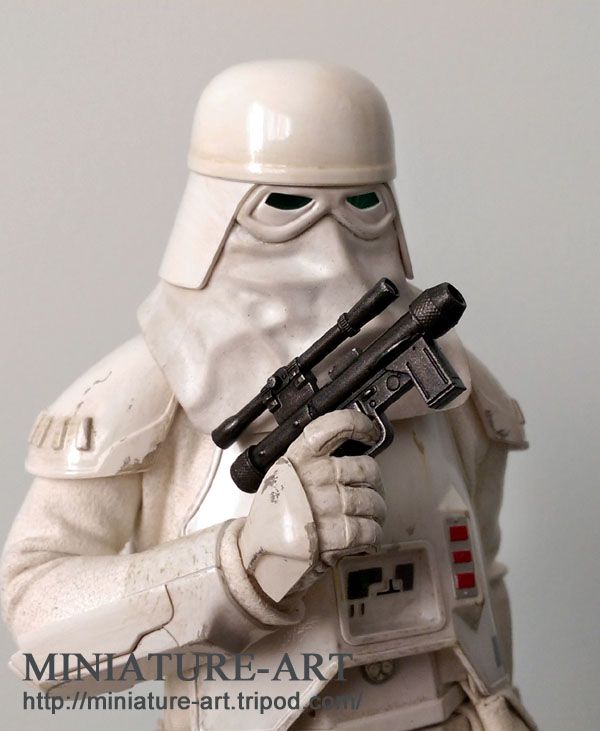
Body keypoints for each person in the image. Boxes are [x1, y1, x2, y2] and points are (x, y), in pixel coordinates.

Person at [1, 60, 536, 731]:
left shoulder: (448, 375)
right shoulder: (148, 392)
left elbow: (480, 576)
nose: (332, 253)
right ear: (218, 211)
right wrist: (237, 566)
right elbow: (39, 624)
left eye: (363, 204)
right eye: (285, 206)